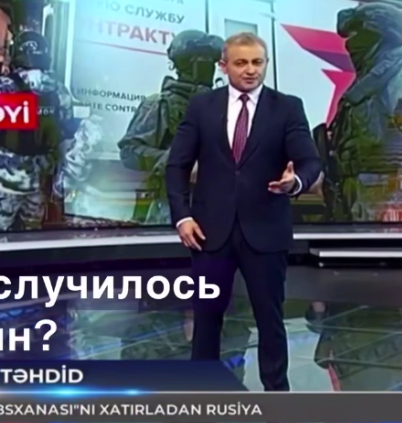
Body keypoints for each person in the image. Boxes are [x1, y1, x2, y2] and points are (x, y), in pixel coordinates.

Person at [165, 32, 321, 391]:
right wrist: (182, 216)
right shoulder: (202, 106)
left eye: (257, 62)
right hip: (209, 232)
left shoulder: (287, 107)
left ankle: (276, 394)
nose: (250, 70)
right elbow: (177, 165)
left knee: (270, 319)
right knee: (207, 318)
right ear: (224, 66)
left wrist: (296, 182)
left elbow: (310, 160)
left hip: (265, 230)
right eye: (241, 63)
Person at [0, 31, 100, 232]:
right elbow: (65, 132)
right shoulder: (59, 90)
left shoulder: (2, 87)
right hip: (41, 179)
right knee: (31, 233)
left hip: (6, 180)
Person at [118, 30, 223, 225]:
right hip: (172, 209)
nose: (211, 68)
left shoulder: (217, 107)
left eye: (213, 63)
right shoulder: (161, 104)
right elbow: (129, 152)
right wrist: (180, 161)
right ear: (189, 64)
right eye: (206, 62)